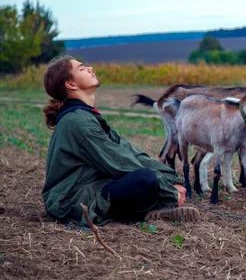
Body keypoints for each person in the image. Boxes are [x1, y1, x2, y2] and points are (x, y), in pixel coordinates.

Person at [41, 55, 200, 225]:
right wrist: (168, 189)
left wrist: (172, 179)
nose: (90, 69)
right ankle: (154, 210)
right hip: (71, 201)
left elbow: (129, 152)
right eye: (81, 68)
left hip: (90, 188)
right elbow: (118, 163)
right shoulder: (79, 122)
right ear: (71, 84)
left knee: (146, 177)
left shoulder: (86, 116)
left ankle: (154, 210)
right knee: (144, 179)